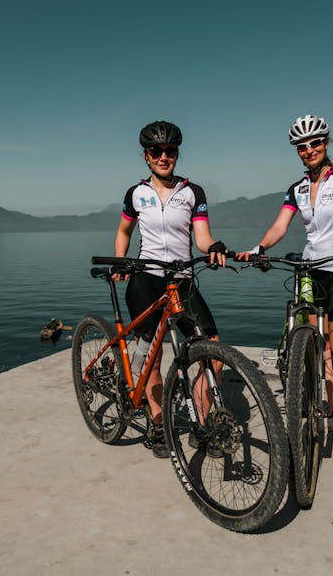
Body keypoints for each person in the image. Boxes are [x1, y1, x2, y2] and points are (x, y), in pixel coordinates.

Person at [238, 114, 333, 449]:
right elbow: (280, 226)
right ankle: (324, 409)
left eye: (315, 143)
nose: (309, 150)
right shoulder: (297, 189)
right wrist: (259, 248)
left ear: (326, 143)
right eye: (302, 147)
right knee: (319, 348)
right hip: (309, 271)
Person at [114, 120, 228, 458]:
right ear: (146, 156)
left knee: (213, 352)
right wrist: (121, 262)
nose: (164, 157)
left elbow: (202, 236)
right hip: (145, 279)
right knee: (152, 354)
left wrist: (212, 246)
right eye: (156, 151)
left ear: (177, 154)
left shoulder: (193, 193)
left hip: (182, 280)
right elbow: (124, 231)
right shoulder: (135, 194)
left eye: (170, 151)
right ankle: (157, 421)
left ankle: (201, 423)